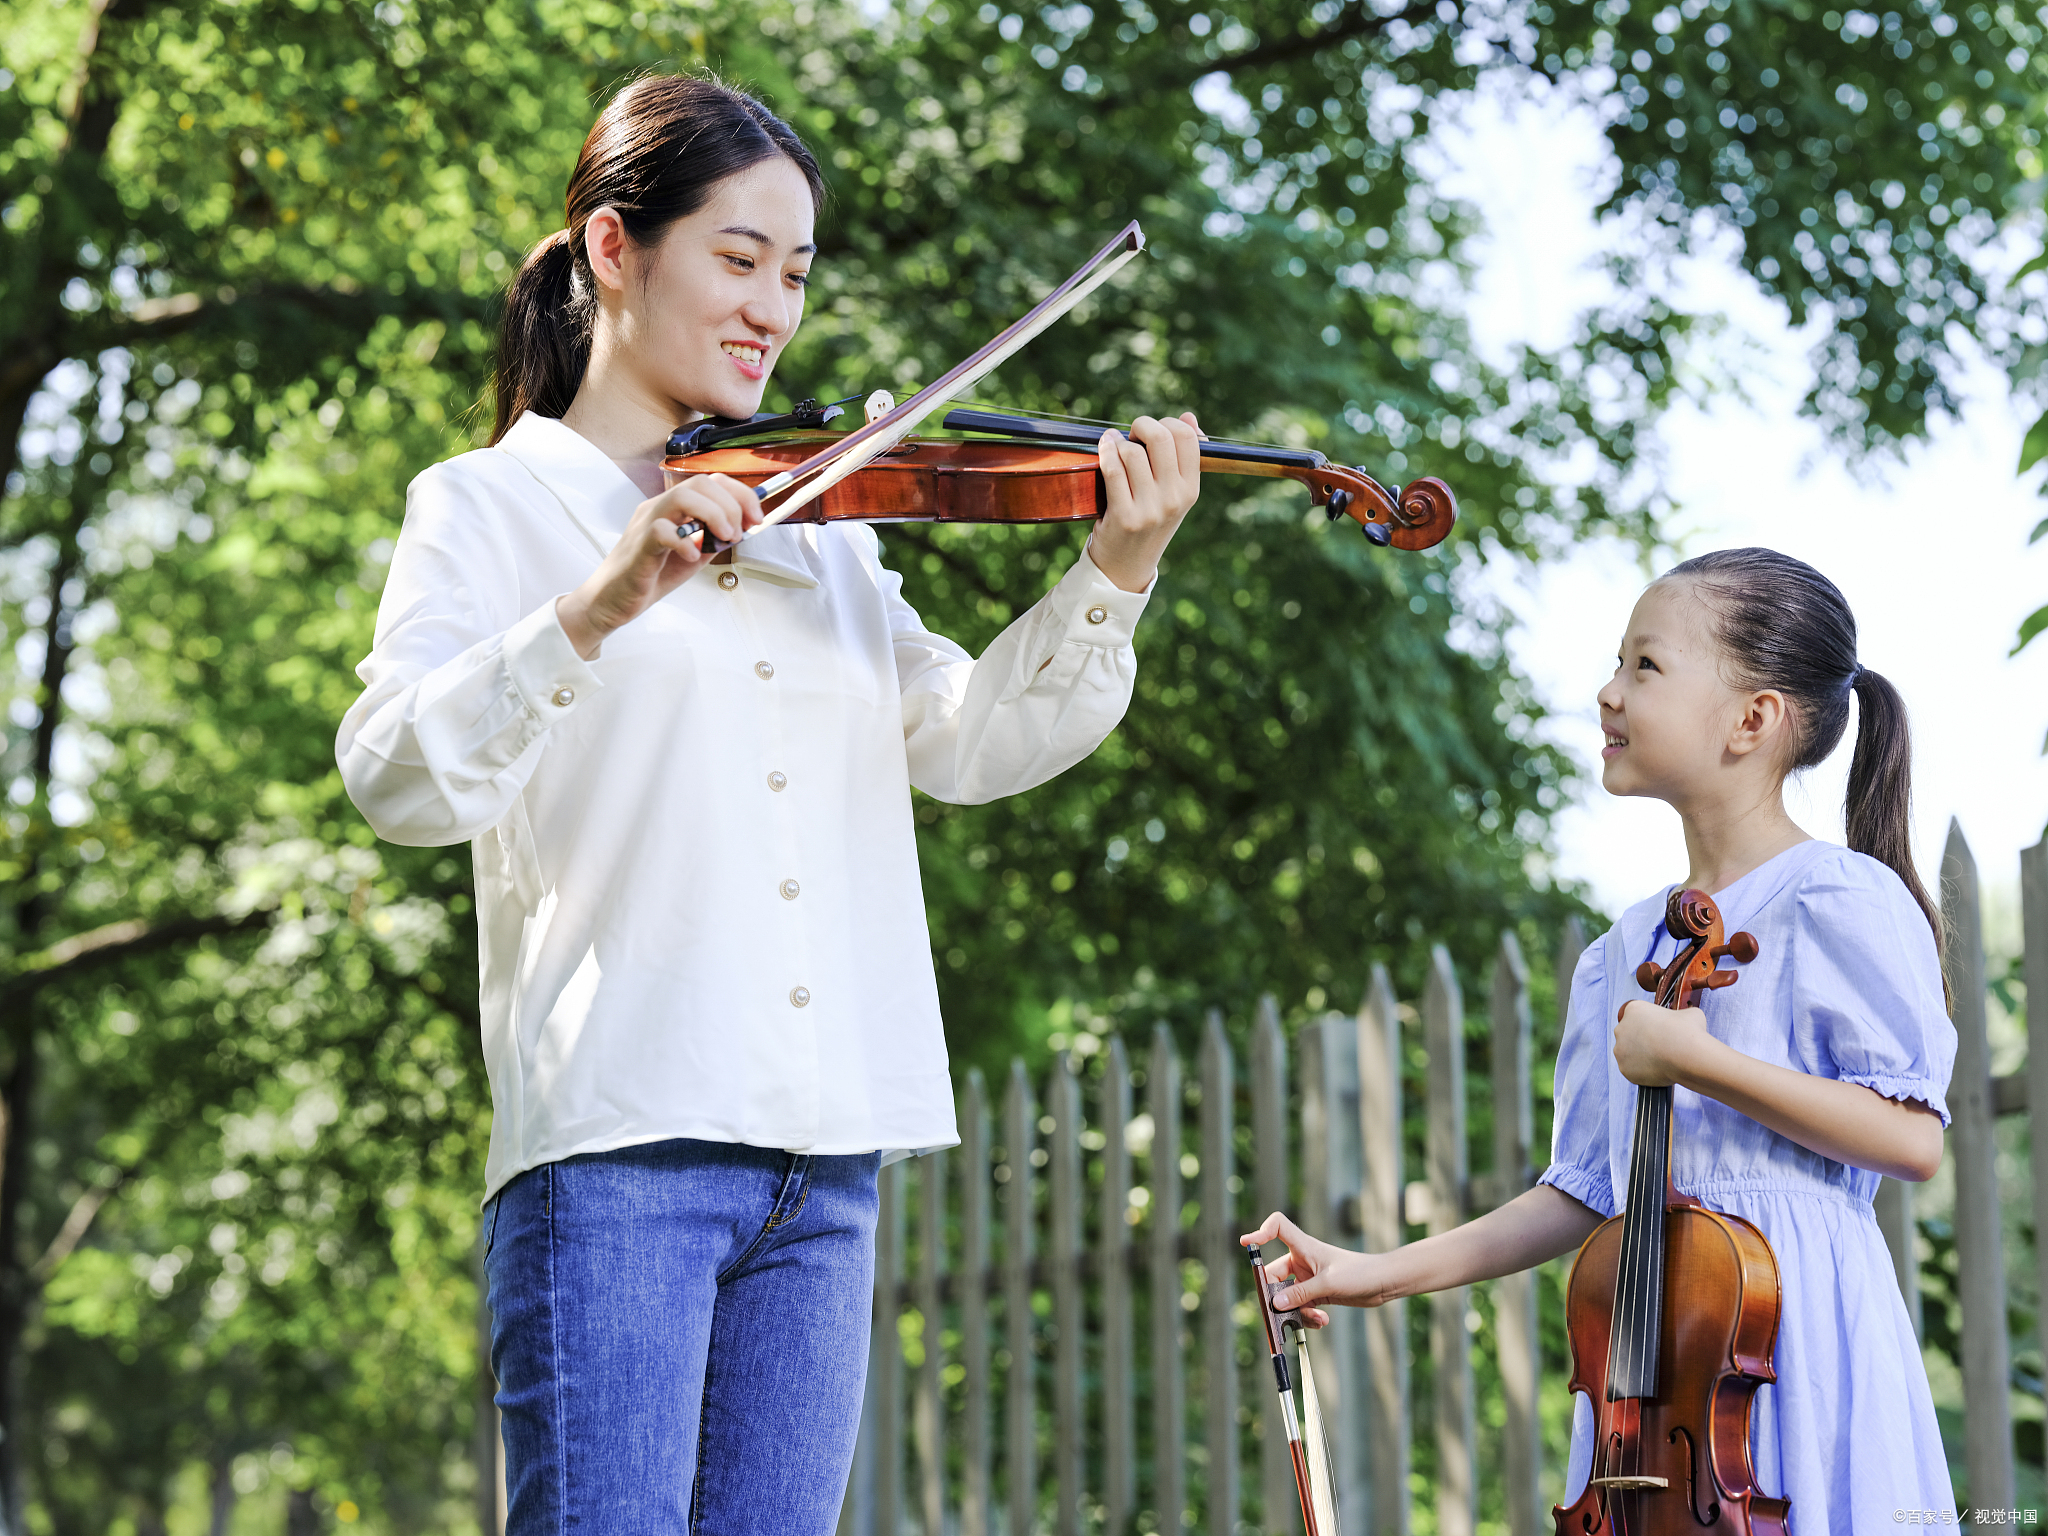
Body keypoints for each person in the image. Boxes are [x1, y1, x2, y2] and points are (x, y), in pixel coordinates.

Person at [335, 73, 1202, 1533]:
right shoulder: (486, 508)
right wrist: (597, 604)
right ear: (615, 249)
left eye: (795, 274)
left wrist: (1113, 573)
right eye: (738, 259)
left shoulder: (826, 538)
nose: (772, 310)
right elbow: (396, 777)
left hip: (827, 1162)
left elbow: (971, 741)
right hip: (618, 1155)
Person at [1243, 548, 1954, 1529]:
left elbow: (1908, 1138)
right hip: (1654, 1388)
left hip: (1806, 1351)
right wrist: (1374, 1274)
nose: (1606, 693)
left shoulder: (1835, 899)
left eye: (1643, 668)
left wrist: (1700, 1060)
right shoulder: (1623, 949)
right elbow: (1581, 1191)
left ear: (1752, 719)